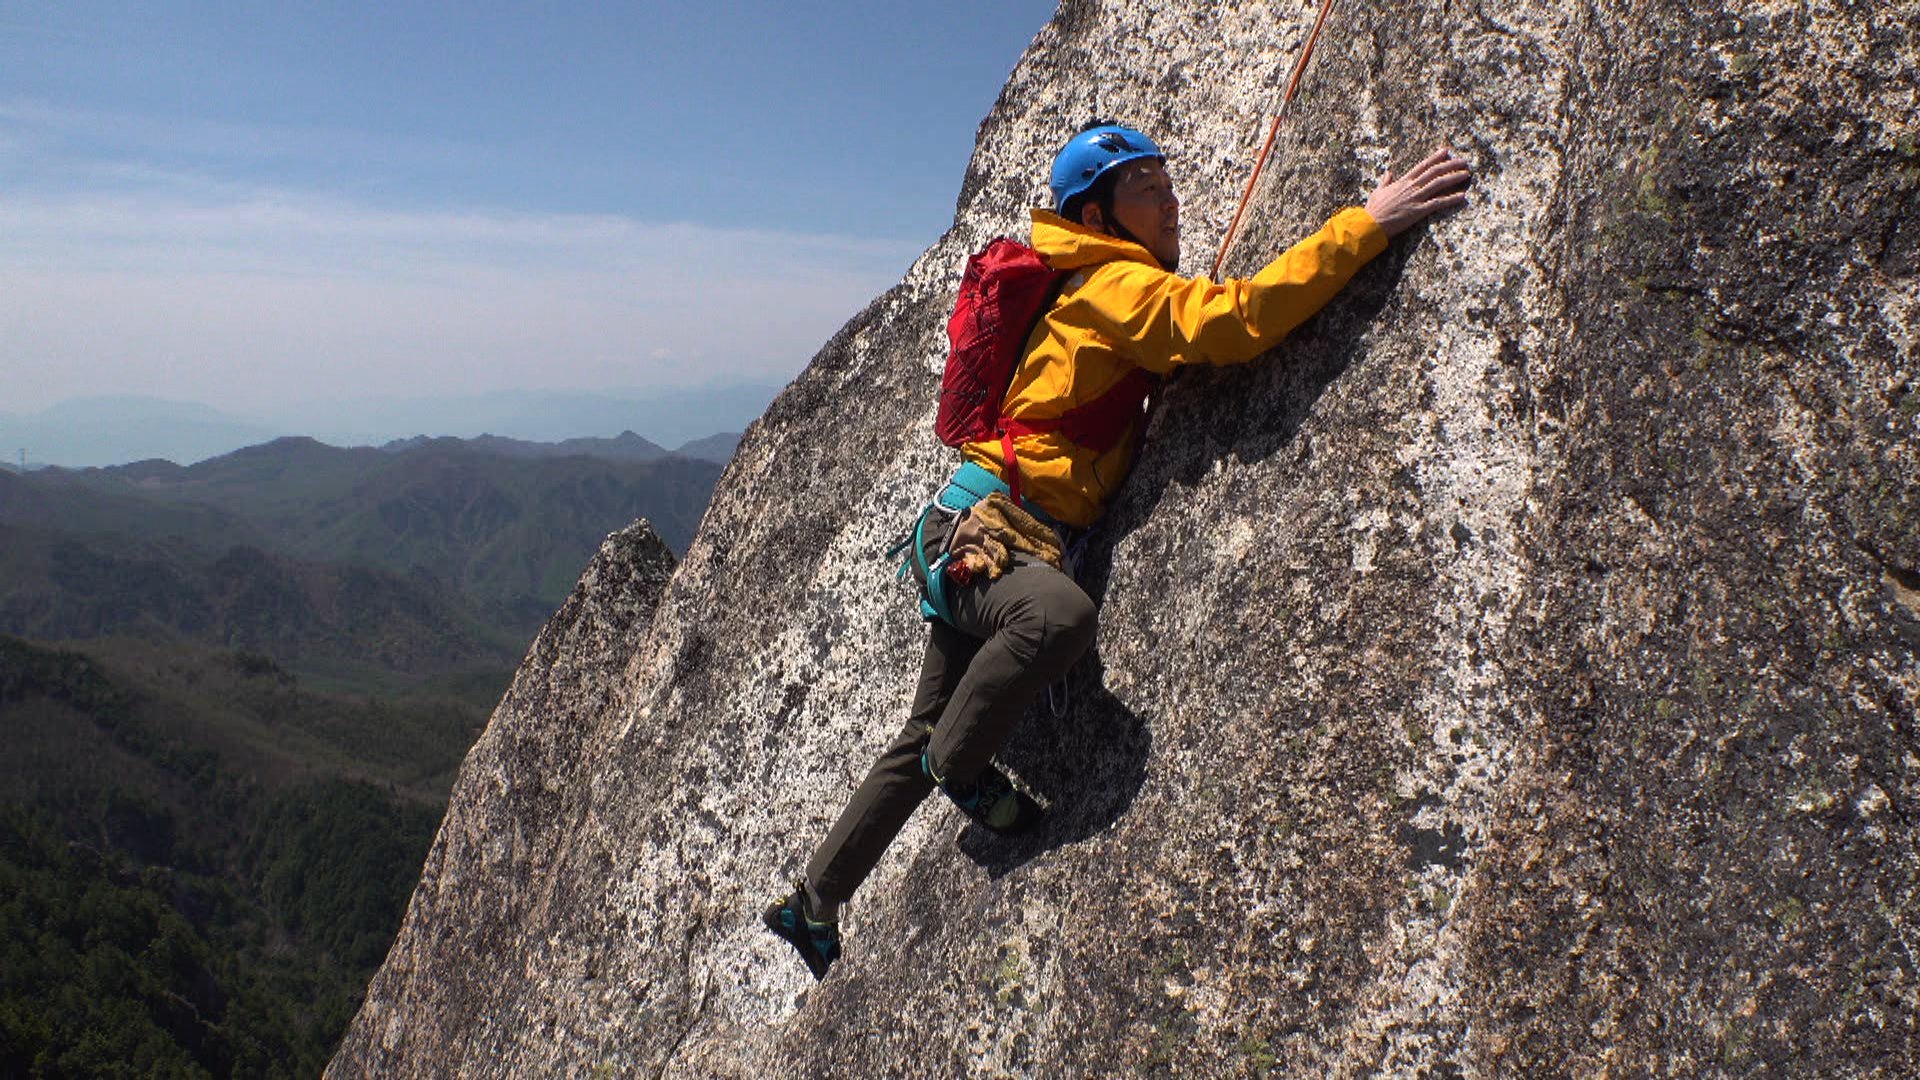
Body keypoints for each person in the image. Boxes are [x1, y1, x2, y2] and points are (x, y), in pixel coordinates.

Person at [766, 122, 1472, 979]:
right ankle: (961, 763)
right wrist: (1368, 223)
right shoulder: (1115, 283)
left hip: (976, 533)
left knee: (922, 727)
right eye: (1147, 189)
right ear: (1098, 215)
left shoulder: (1098, 285)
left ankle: (814, 902)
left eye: (1168, 184)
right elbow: (1237, 322)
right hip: (992, 534)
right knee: (1056, 619)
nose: (1171, 202)